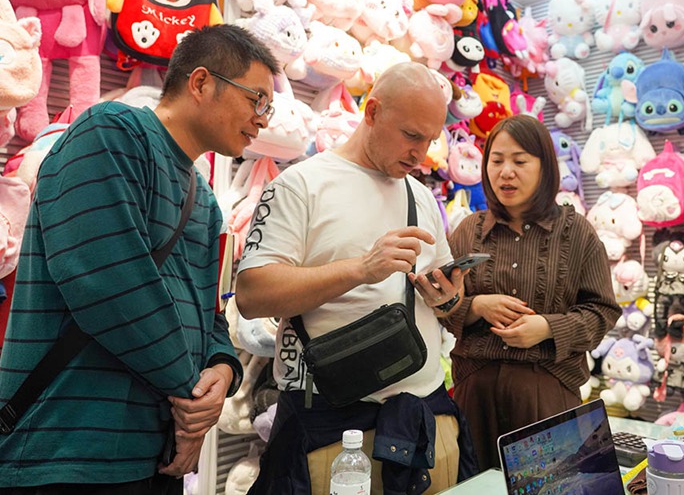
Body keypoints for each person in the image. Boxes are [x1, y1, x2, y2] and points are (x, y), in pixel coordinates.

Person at [0, 25, 280, 494]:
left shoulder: (204, 198)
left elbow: (209, 311)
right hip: (65, 449)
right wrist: (192, 400)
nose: (263, 119)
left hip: (152, 456)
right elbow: (106, 285)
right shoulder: (109, 132)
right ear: (201, 82)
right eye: (257, 99)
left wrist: (223, 371)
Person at [235, 62, 477, 494]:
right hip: (332, 428)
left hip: (426, 420)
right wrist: (361, 269)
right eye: (410, 135)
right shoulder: (301, 186)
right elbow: (252, 295)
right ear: (372, 111)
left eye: (430, 140)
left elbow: (439, 297)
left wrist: (448, 299)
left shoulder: (419, 195)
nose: (421, 153)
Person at [442, 114, 620, 471]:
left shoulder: (576, 232)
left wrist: (548, 328)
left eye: (520, 161)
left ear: (545, 168)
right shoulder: (467, 231)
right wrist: (475, 306)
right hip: (474, 392)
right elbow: (442, 305)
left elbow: (603, 311)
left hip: (548, 392)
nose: (506, 172)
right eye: (496, 160)